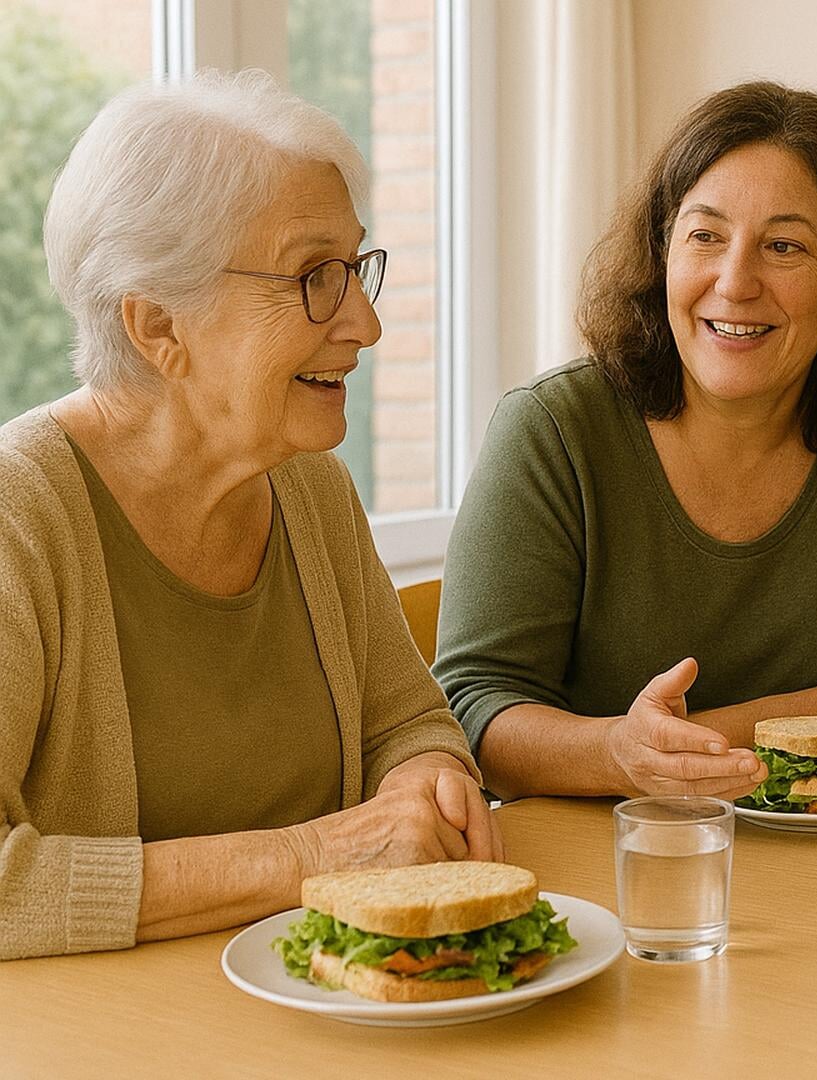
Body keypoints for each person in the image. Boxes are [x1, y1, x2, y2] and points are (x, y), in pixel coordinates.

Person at [0, 72, 498, 961]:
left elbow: (409, 722)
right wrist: (317, 857)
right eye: (314, 276)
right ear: (159, 327)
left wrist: (427, 784)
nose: (366, 323)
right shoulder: (19, 517)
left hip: (338, 1011)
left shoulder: (310, 487)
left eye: (355, 267)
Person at [434, 82, 817, 801]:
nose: (735, 281)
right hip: (608, 859)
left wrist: (705, 741)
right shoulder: (552, 431)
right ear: (663, 252)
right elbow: (472, 709)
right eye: (705, 236)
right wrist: (621, 754)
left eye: (784, 246)